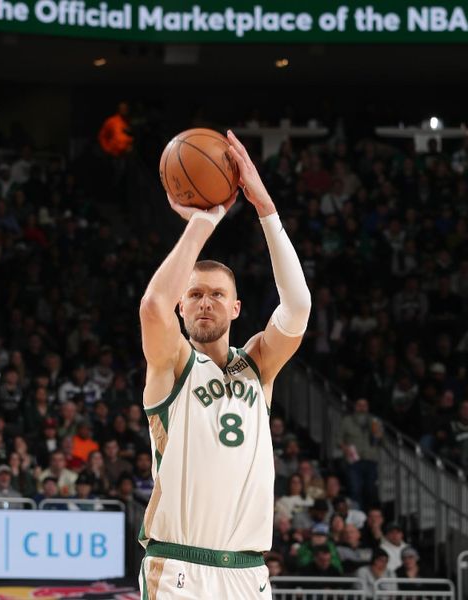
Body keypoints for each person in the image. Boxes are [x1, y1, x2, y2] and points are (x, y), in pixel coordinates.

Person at [137, 131, 311, 599]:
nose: (205, 303)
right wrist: (202, 222)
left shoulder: (258, 365)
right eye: (193, 294)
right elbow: (153, 307)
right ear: (182, 305)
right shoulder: (171, 363)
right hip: (179, 565)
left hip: (248, 571)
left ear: (236, 308)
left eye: (217, 295)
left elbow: (297, 307)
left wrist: (266, 209)